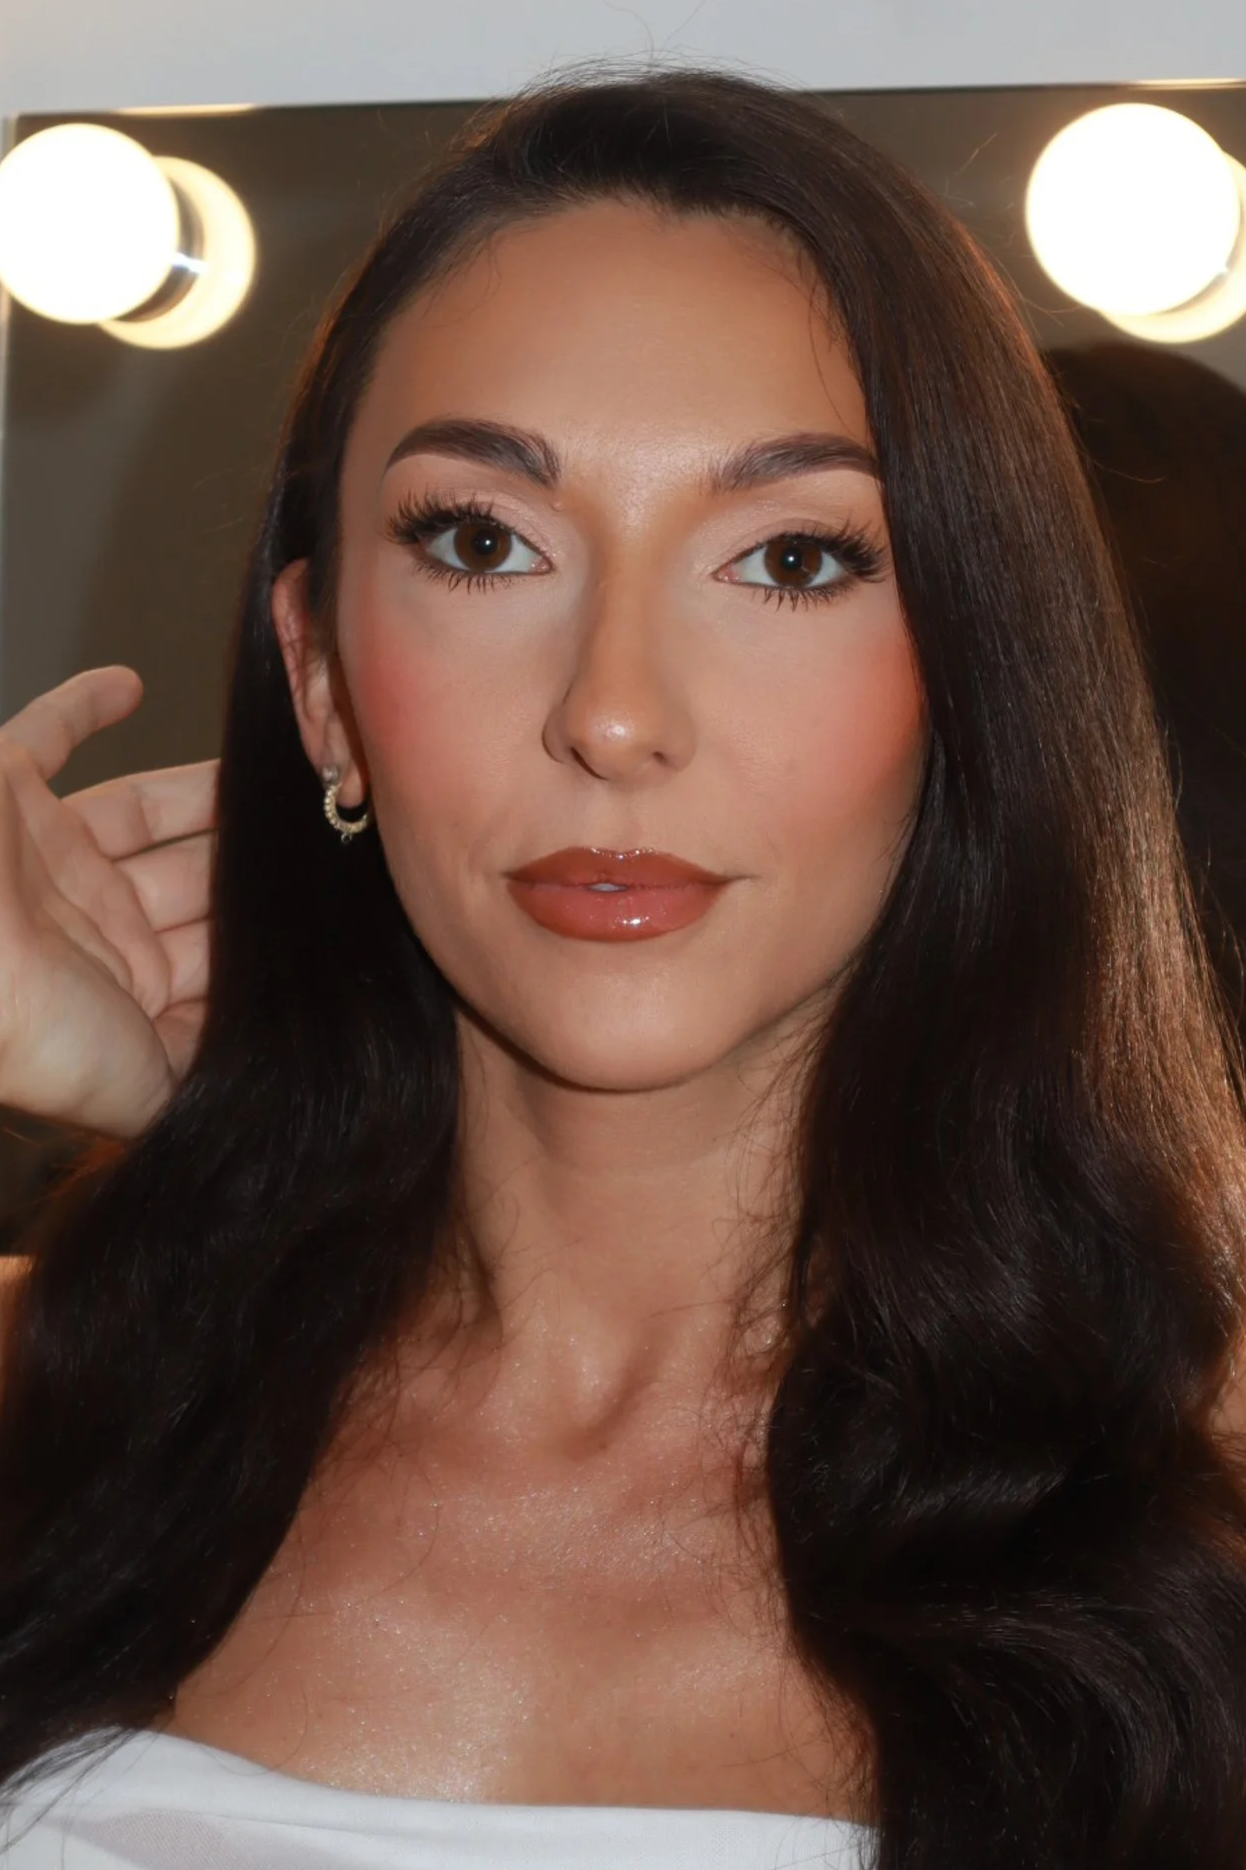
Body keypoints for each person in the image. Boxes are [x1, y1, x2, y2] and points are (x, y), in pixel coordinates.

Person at [0, 64, 1243, 1870]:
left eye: (794, 556)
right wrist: (205, 1153)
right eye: (480, 541)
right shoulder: (56, 1389)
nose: (613, 714)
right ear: (322, 676)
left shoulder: (1181, 1493)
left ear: (971, 674)